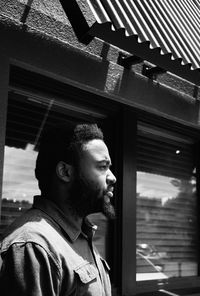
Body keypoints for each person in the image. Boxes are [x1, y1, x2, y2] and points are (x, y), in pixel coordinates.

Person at [0, 123, 116, 295]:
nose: (112, 177)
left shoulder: (82, 235)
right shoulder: (33, 247)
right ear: (65, 172)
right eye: (102, 166)